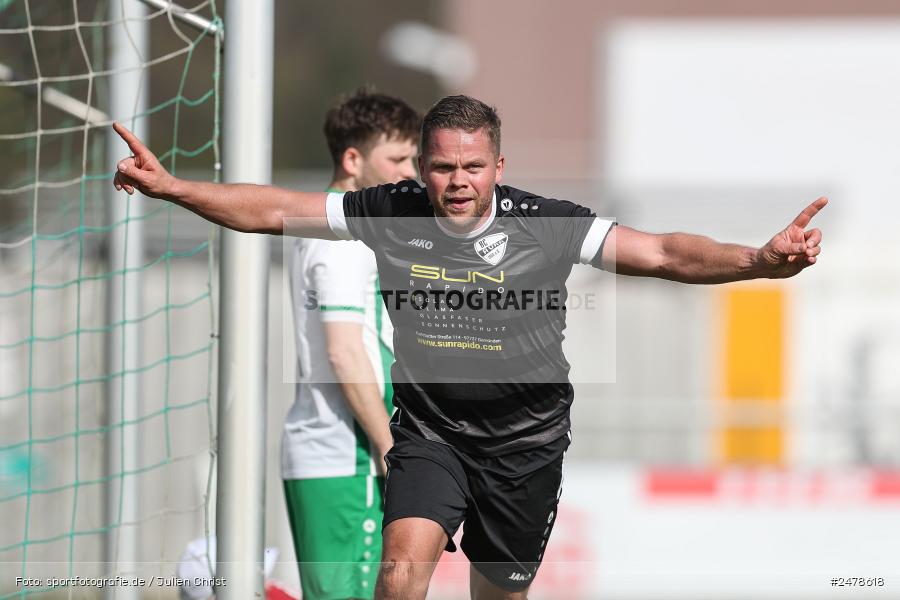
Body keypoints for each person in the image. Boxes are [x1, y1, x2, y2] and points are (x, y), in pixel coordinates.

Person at [111, 94, 825, 600]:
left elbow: (666, 253)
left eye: (473, 168)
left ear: (498, 165)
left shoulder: (544, 225)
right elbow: (273, 209)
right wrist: (174, 188)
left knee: (498, 593)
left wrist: (758, 261)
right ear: (423, 166)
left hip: (525, 446)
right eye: (443, 168)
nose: (458, 183)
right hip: (432, 435)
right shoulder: (390, 211)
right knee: (399, 572)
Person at [282, 89, 420, 600]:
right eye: (399, 159)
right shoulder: (341, 239)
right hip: (351, 457)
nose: (411, 172)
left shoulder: (341, 230)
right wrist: (390, 448)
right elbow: (344, 349)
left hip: (335, 455)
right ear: (353, 159)